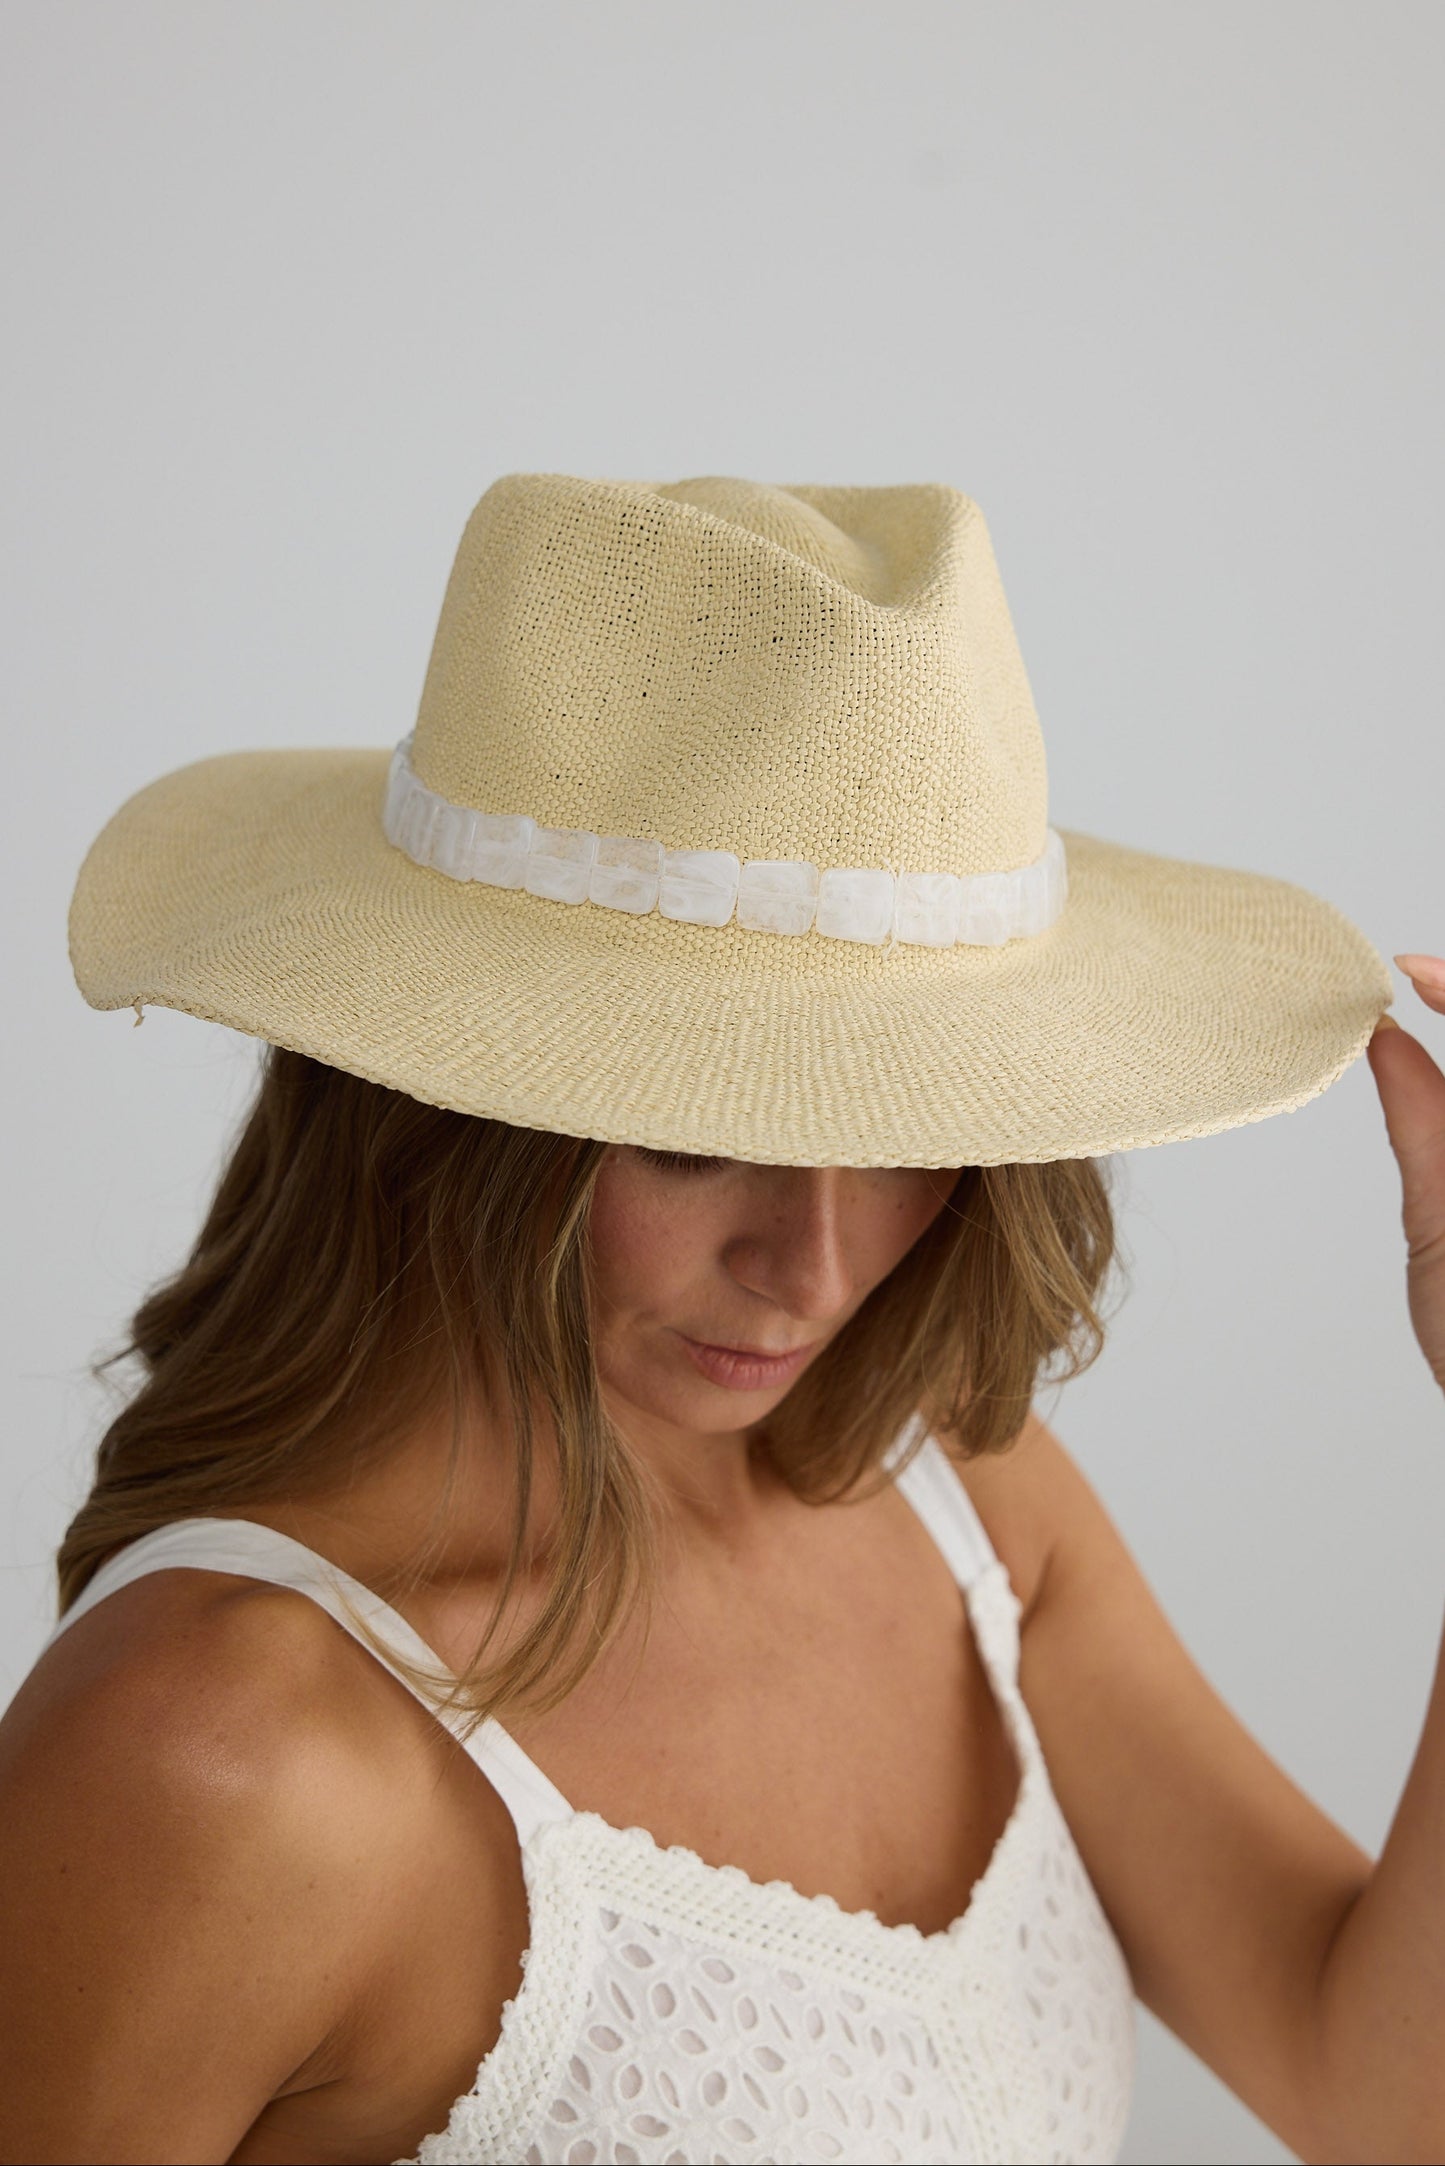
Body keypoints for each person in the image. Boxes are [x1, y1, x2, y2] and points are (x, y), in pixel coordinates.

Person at [0, 472, 1439, 2166]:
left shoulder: (958, 1499)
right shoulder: (220, 1744)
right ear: (445, 1100)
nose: (815, 1269)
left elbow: (1378, 2095)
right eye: (695, 1139)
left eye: (906, 1141)